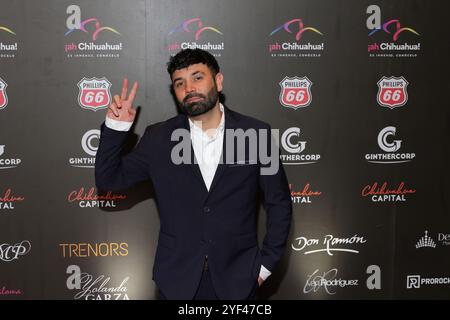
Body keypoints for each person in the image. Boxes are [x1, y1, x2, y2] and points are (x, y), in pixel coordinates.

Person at [95, 48, 292, 300]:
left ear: (218, 81)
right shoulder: (159, 139)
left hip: (240, 280)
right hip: (178, 281)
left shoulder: (256, 134)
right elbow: (108, 179)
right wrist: (116, 128)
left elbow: (279, 203)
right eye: (180, 83)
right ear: (174, 91)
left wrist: (265, 266)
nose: (189, 88)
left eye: (197, 77)